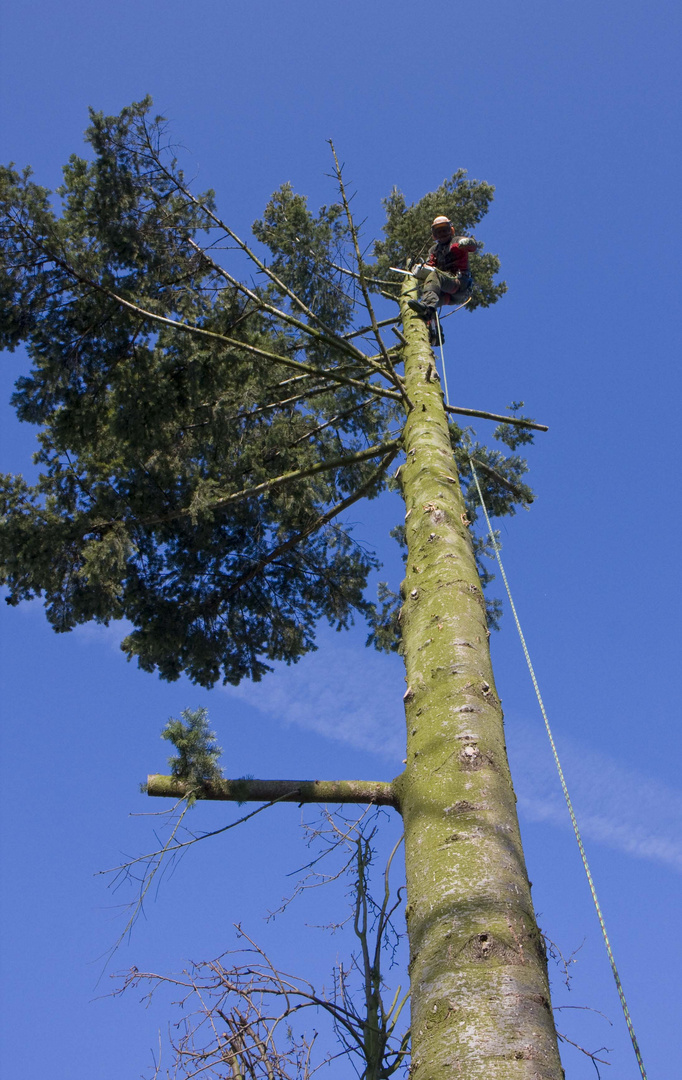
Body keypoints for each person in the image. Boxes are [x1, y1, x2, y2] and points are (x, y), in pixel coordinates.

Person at [407, 216, 478, 318]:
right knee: (428, 301)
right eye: (438, 232)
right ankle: (432, 326)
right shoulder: (433, 250)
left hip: (459, 284)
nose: (442, 234)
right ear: (434, 235)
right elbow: (430, 264)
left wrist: (468, 242)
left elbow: (472, 246)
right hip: (447, 294)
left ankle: (427, 306)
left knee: (435, 277)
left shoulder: (456, 242)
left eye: (445, 230)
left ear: (451, 230)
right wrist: (418, 268)